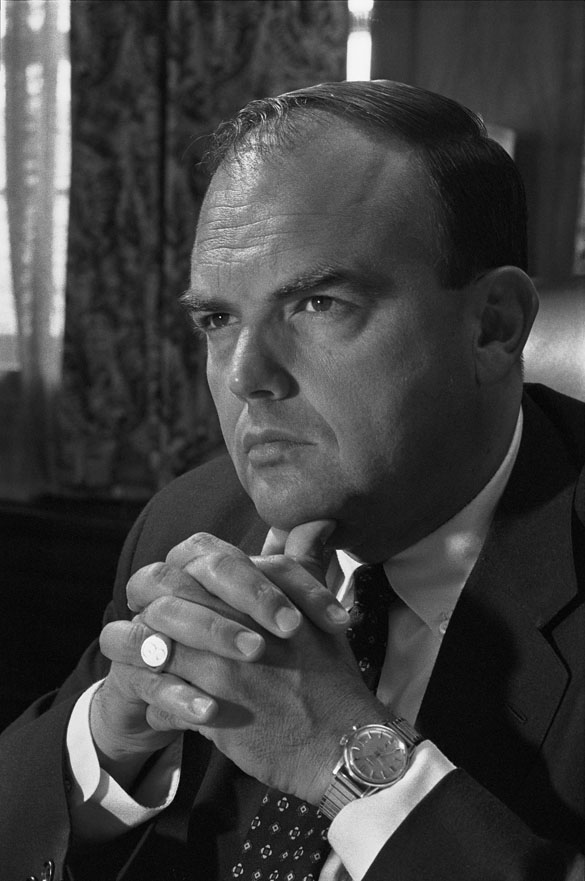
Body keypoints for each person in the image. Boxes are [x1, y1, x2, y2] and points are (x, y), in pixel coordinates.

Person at [1, 80, 584, 881]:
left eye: (317, 302)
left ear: (493, 325)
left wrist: (348, 757)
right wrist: (107, 741)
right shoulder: (194, 519)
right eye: (217, 319)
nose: (246, 375)